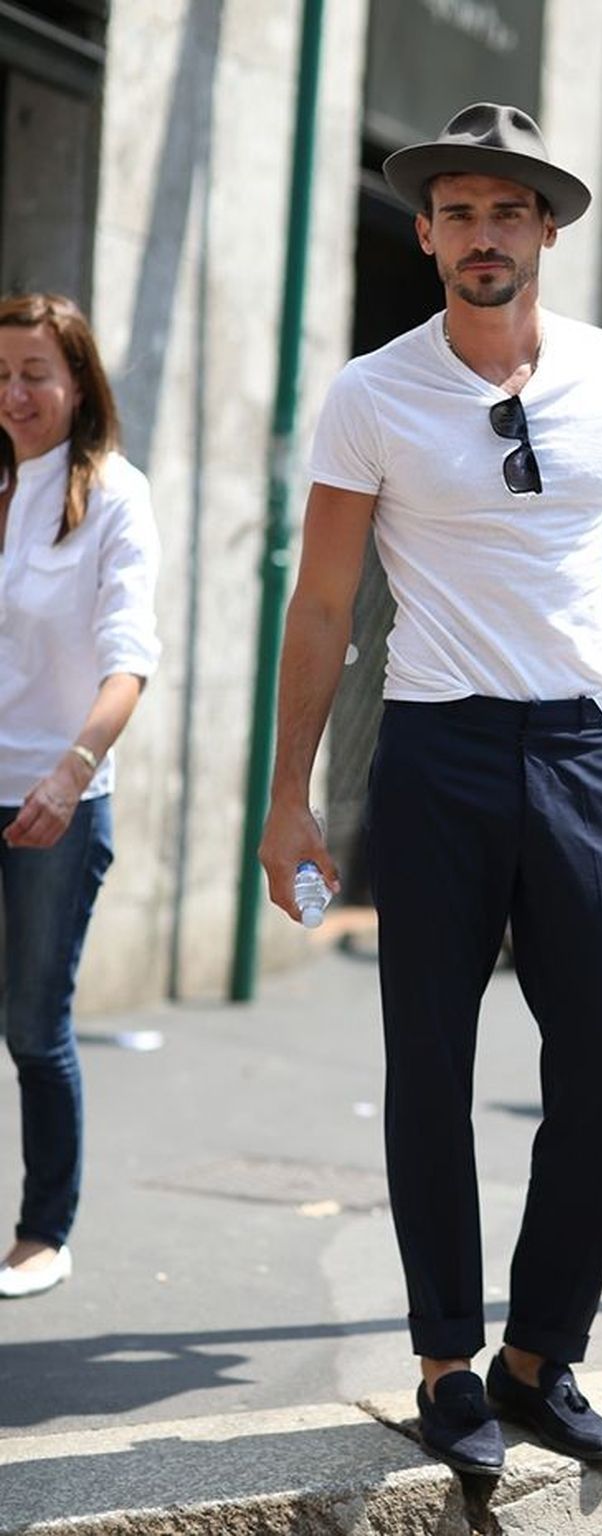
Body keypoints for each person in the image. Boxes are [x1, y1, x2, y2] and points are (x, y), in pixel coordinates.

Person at [259, 103, 602, 1475]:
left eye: (507, 212)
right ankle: (446, 1364)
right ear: (424, 233)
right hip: (436, 753)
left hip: (581, 750)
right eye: (459, 212)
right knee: (431, 1068)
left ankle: (539, 1357)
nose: (483, 235)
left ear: (547, 231)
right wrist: (288, 796)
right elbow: (323, 603)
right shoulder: (372, 393)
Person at [0, 293, 160, 1299]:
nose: (15, 394)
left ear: (78, 384)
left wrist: (70, 774)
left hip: (55, 801)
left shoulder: (113, 496)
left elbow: (128, 659)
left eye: (35, 375)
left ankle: (42, 1232)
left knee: (32, 1024)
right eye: (1, 375)